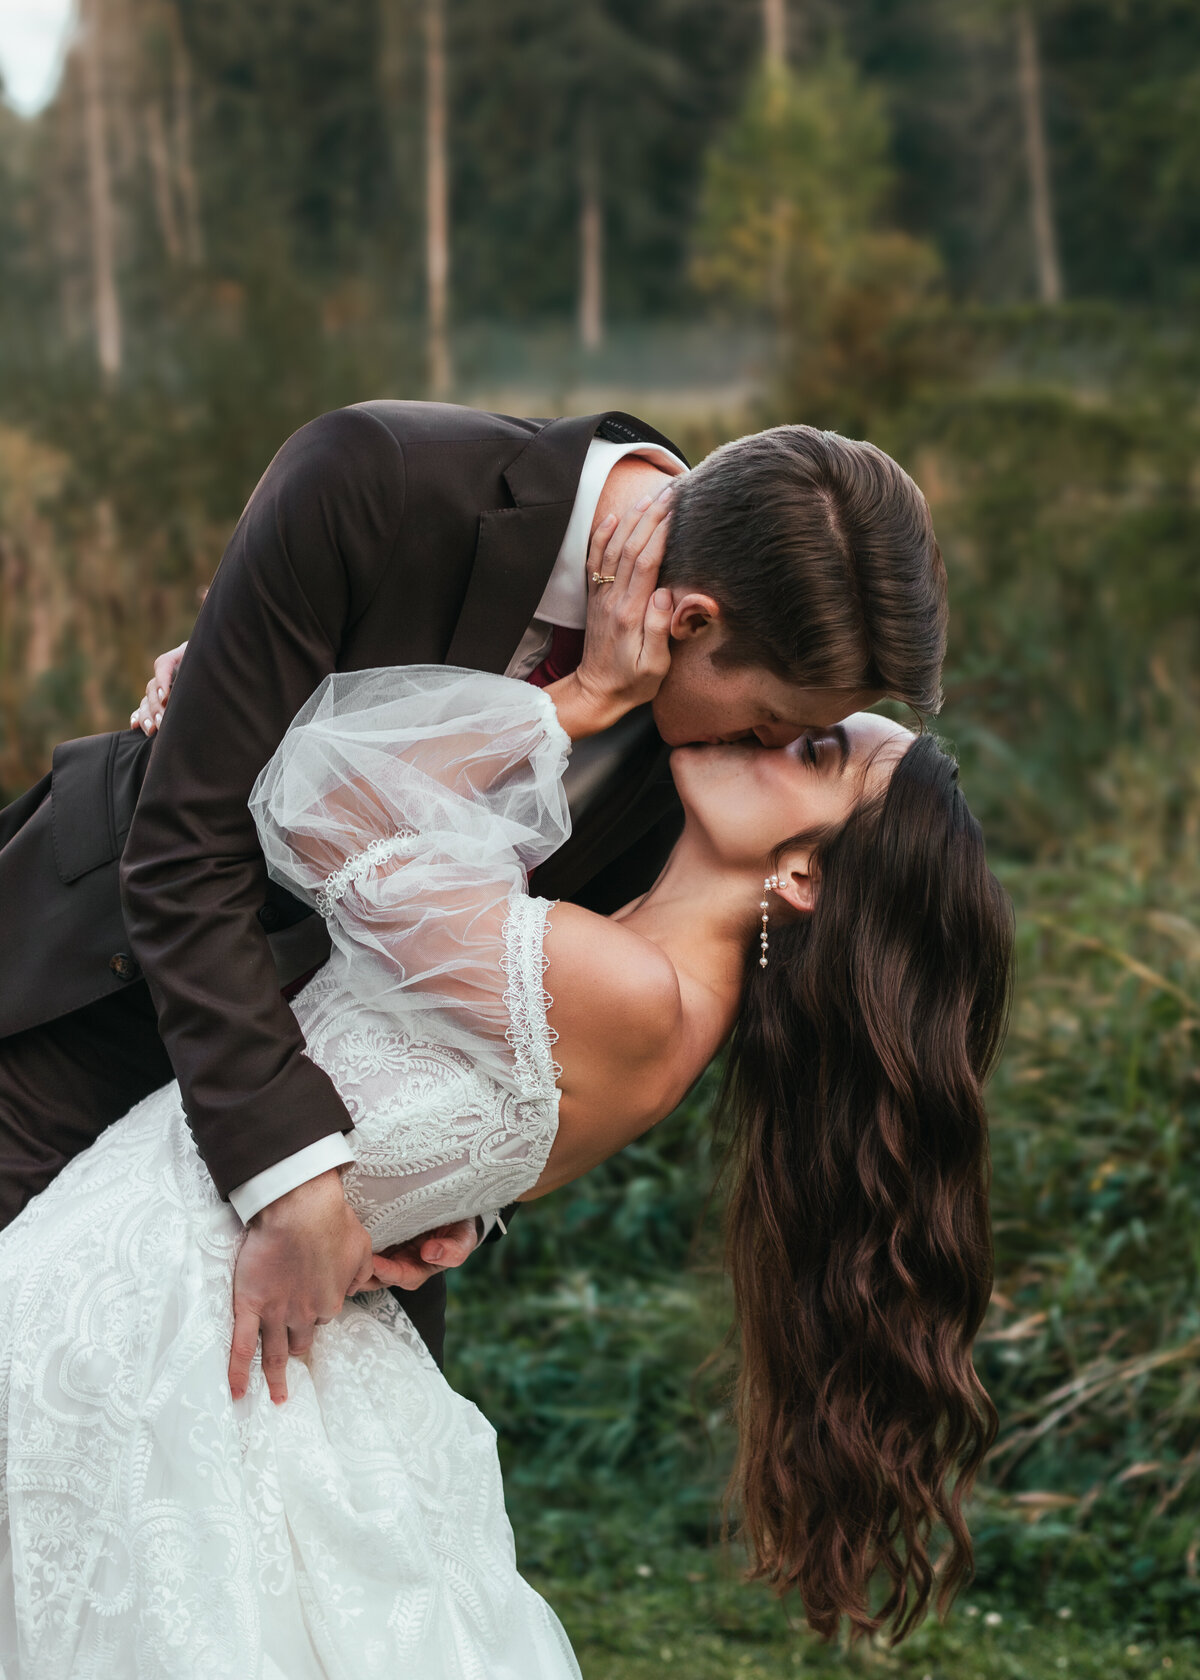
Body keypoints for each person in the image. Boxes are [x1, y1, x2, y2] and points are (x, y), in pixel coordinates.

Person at [0, 557, 1012, 1673]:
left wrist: (582, 700)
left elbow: (315, 802)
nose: (772, 728)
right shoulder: (644, 970)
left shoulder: (627, 990)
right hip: (220, 1295)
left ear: (809, 877)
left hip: (175, 1312)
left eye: (815, 748)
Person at [0, 403, 947, 1382]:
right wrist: (291, 1175)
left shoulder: (709, 763)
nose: (764, 750)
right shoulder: (381, 478)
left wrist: (448, 1198)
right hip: (96, 997)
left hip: (342, 1191)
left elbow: (547, 1017)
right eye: (769, 721)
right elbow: (187, 843)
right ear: (691, 620)